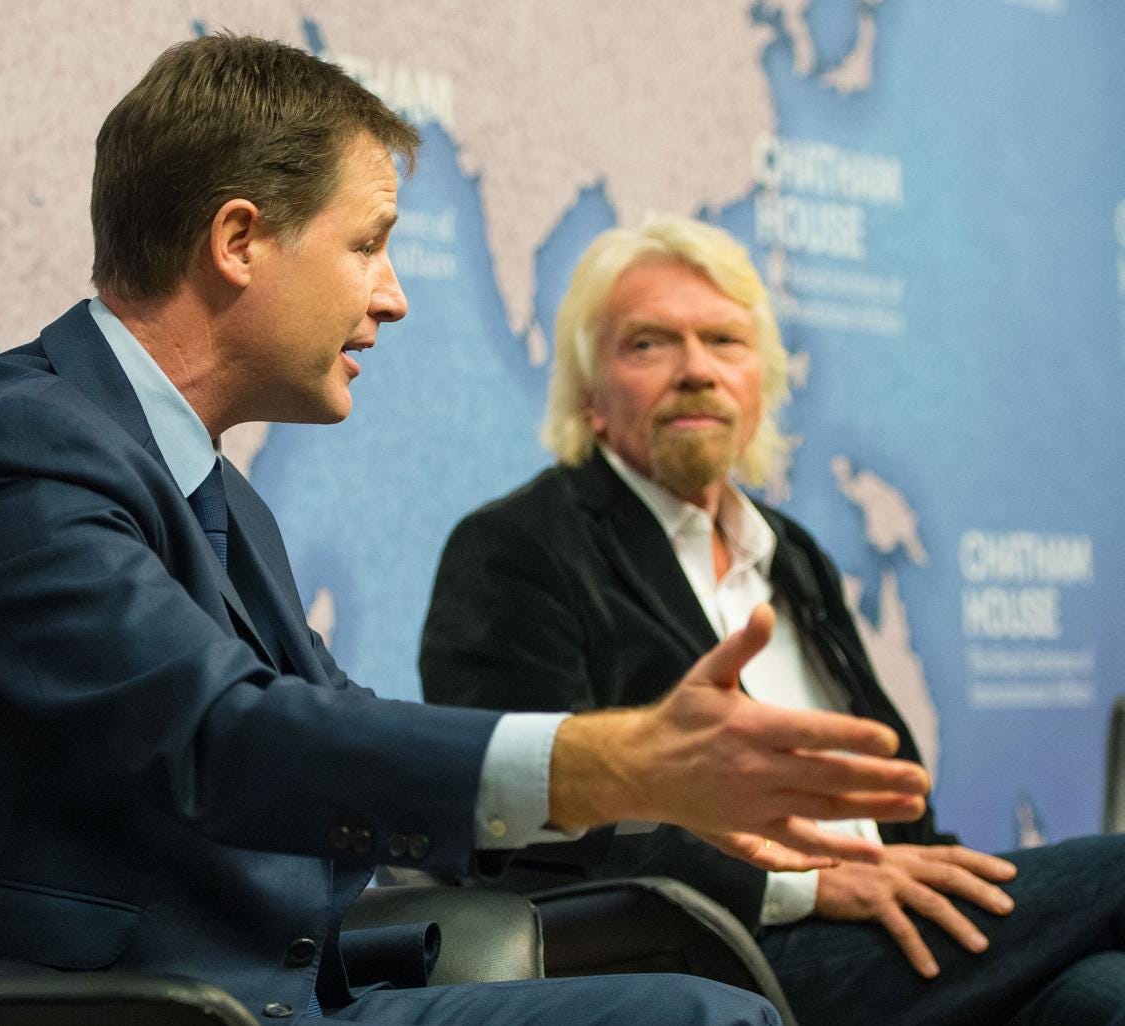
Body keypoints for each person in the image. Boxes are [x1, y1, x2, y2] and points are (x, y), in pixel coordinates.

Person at [0, 37, 930, 1026]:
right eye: (369, 244)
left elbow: (329, 721)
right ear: (240, 240)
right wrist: (610, 761)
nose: (394, 296)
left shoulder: (208, 487)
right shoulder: (15, 453)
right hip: (84, 1005)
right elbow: (227, 742)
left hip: (248, 987)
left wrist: (629, 781)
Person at [419, 214, 1125, 1026]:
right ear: (590, 397)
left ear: (762, 384)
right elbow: (521, 820)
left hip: (891, 933)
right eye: (649, 344)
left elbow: (890, 807)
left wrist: (921, 872)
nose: (696, 370)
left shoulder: (792, 554)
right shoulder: (518, 549)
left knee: (1104, 993)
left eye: (725, 341)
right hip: (723, 953)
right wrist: (809, 884)